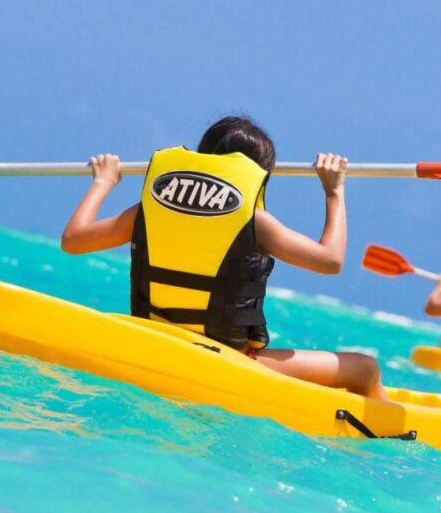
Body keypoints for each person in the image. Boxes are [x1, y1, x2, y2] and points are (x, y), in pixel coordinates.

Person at [61, 115, 387, 399]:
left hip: (154, 340)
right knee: (366, 369)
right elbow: (331, 260)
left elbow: (73, 241)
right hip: (227, 359)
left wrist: (102, 183)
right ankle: (381, 424)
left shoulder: (150, 210)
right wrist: (334, 192)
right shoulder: (256, 223)